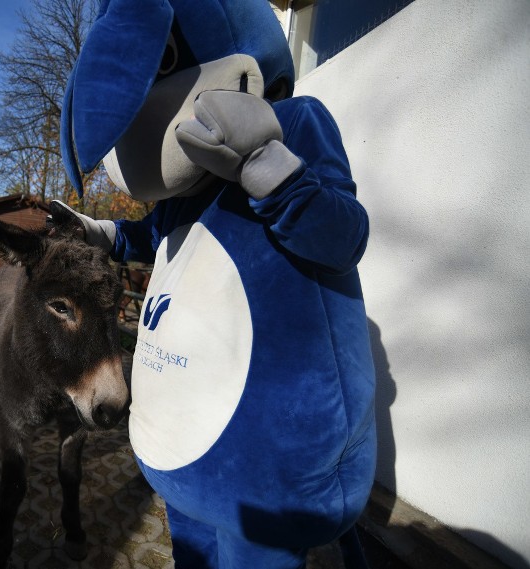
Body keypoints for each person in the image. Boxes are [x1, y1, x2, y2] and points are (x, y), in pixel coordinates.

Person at [53, 1, 376, 568]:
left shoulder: (296, 122)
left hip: (260, 473)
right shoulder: (184, 192)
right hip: (180, 452)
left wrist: (274, 175)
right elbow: (148, 236)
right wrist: (96, 231)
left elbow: (342, 239)